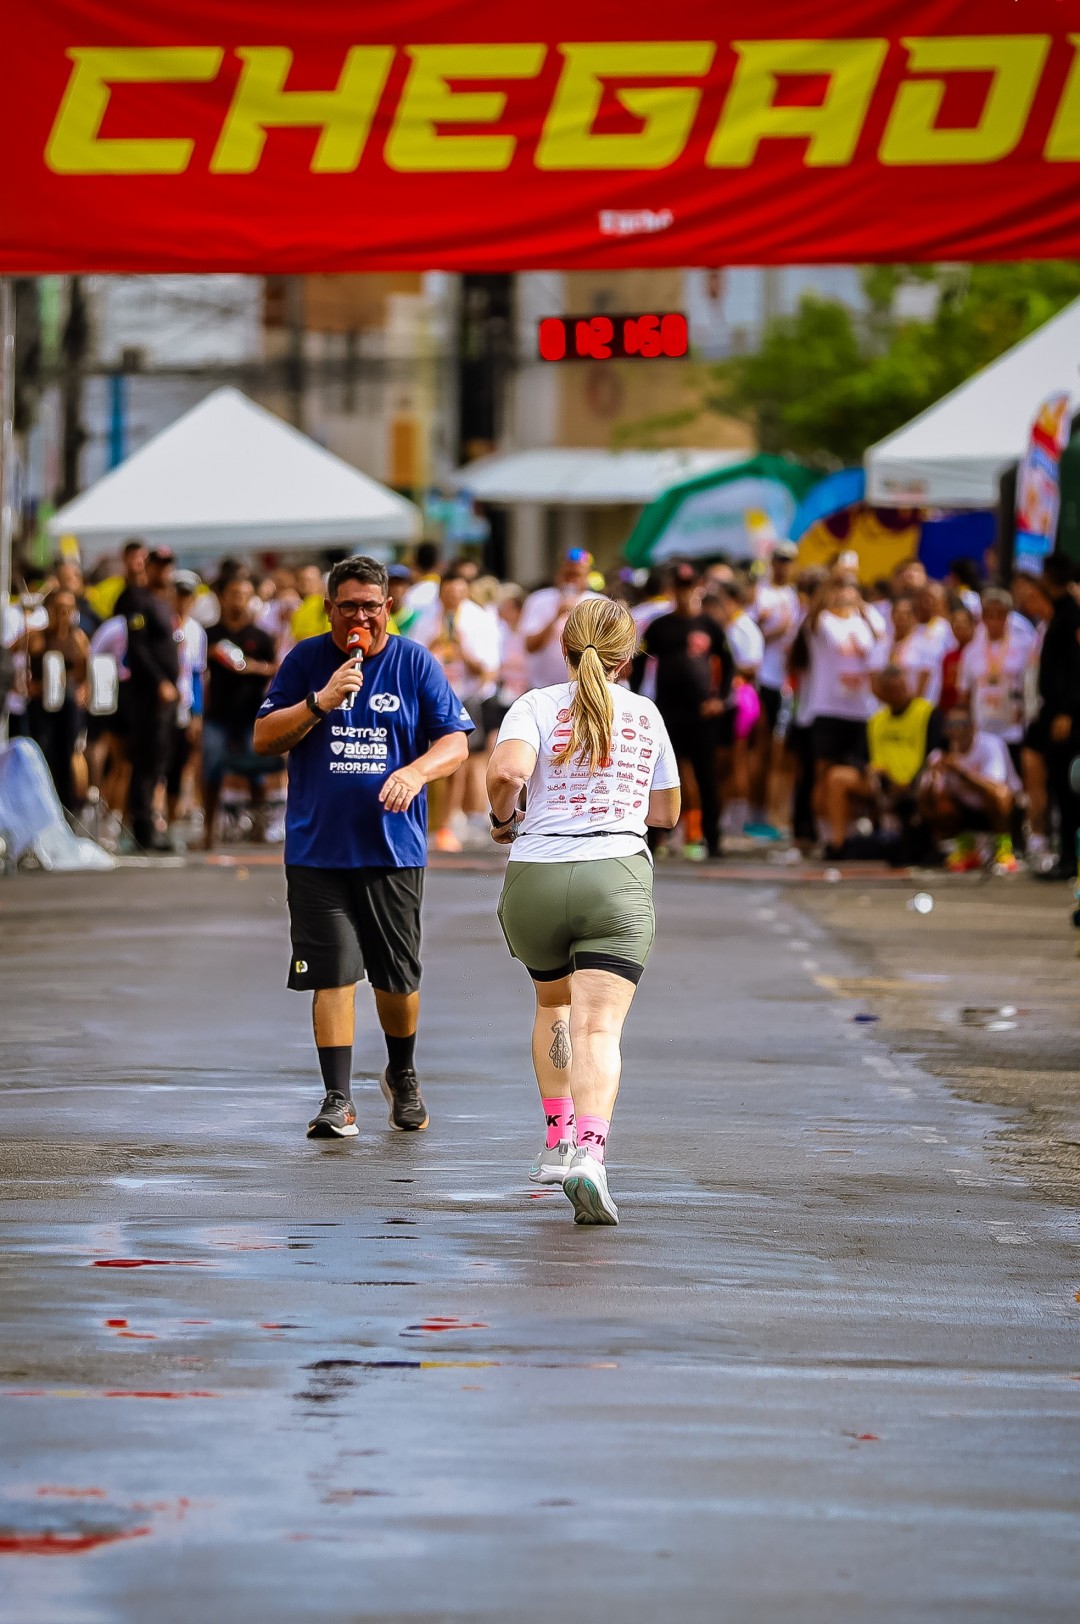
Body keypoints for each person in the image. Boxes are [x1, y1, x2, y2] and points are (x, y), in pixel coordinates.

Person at [252, 556, 473, 1140]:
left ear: (387, 608)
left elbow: (455, 742)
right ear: (329, 609)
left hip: (391, 850)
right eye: (348, 606)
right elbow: (264, 737)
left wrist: (417, 772)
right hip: (317, 850)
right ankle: (338, 1098)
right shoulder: (305, 661)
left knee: (396, 982)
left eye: (370, 607)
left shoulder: (413, 662)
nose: (360, 618)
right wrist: (320, 702)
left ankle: (402, 1073)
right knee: (333, 975)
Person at [486, 596, 681, 1226]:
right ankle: (590, 1157)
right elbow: (667, 813)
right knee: (599, 1028)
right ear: (628, 658)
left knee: (552, 1006)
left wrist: (503, 818)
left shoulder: (535, 705)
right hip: (614, 876)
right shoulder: (645, 713)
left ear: (564, 648)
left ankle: (555, 1141)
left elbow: (507, 773)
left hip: (536, 877)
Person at [638, 562, 730, 861]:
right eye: (680, 587)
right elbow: (640, 662)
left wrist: (720, 697)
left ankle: (712, 838)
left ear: (698, 589)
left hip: (701, 714)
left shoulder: (709, 625)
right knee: (659, 775)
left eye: (689, 587)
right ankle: (655, 837)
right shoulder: (661, 626)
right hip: (668, 713)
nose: (685, 593)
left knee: (706, 777)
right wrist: (637, 701)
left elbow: (728, 662)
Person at [408, 563, 500, 852]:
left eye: (459, 592)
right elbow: (413, 657)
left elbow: (488, 669)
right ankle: (431, 822)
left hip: (464, 696)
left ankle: (450, 821)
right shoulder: (426, 618)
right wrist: (434, 643)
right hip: (431, 695)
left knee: (459, 759)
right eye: (448, 593)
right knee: (427, 756)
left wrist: (462, 649)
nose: (453, 598)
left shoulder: (478, 619)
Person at [821, 664, 939, 862]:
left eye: (901, 688)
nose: (898, 694)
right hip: (880, 783)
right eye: (892, 690)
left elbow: (935, 753)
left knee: (935, 781)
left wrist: (911, 782)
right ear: (882, 694)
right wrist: (868, 769)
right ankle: (838, 844)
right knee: (836, 777)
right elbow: (858, 756)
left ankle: (933, 845)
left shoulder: (927, 713)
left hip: (917, 781)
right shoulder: (876, 720)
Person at [202, 573, 282, 850]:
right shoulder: (210, 634)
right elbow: (194, 670)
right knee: (211, 770)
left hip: (251, 714)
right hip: (217, 714)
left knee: (256, 770)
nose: (239, 600)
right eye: (234, 594)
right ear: (223, 597)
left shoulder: (260, 636)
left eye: (245, 595)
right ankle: (208, 830)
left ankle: (259, 827)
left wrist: (249, 666)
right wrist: (211, 654)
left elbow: (276, 668)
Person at [120, 547, 179, 853]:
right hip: (147, 696)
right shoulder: (138, 600)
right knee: (146, 760)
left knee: (159, 759)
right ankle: (142, 828)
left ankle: (149, 823)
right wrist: (160, 681)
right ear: (149, 567)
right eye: (160, 565)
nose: (165, 570)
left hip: (165, 698)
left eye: (169, 565)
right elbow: (138, 647)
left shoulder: (162, 601)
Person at [918, 708, 1020, 872]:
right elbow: (927, 800)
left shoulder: (990, 744)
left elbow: (996, 787)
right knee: (940, 805)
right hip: (965, 811)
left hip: (997, 808)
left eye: (962, 723)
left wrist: (960, 771)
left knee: (1000, 795)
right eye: (951, 724)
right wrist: (931, 778)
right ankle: (967, 850)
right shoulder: (939, 755)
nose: (957, 729)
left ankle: (1004, 849)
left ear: (973, 727)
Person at [1035, 553, 1080, 880]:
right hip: (1056, 712)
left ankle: (1069, 859)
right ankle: (1066, 855)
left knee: (1069, 788)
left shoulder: (1072, 615)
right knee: (1060, 788)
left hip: (1070, 718)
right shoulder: (1061, 613)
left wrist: (1067, 710)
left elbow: (1077, 667)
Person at [25, 587, 90, 812]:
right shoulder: (38, 636)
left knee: (69, 753)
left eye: (68, 608)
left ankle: (69, 805)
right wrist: (26, 684)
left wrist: (84, 689)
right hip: (42, 704)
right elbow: (13, 654)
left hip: (68, 703)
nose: (64, 613)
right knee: (44, 751)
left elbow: (87, 668)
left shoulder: (78, 637)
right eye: (59, 608)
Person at [957, 590, 1027, 772]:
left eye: (1000, 615)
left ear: (1008, 616)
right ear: (982, 617)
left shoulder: (1024, 646)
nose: (994, 620)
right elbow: (964, 692)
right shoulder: (971, 651)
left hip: (1013, 727)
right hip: (982, 727)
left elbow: (1030, 686)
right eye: (989, 615)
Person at [518, 548, 598, 691]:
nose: (571, 580)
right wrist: (556, 616)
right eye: (567, 574)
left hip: (583, 689)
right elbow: (530, 646)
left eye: (576, 575)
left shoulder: (598, 603)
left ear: (587, 576)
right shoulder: (538, 600)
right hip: (541, 689)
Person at [167, 572, 207, 827]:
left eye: (187, 597)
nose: (183, 601)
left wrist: (197, 712)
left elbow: (196, 673)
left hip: (184, 704)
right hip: (161, 704)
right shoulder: (161, 623)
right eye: (179, 595)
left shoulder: (196, 630)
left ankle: (172, 819)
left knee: (179, 762)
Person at [291, 564, 330, 644]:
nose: (304, 583)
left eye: (309, 580)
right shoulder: (300, 605)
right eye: (302, 580)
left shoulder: (324, 604)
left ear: (320, 582)